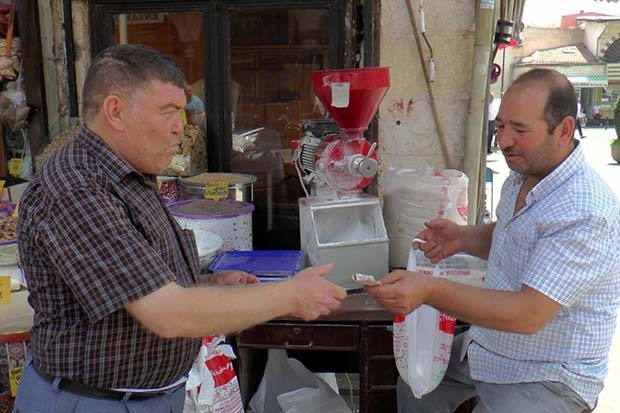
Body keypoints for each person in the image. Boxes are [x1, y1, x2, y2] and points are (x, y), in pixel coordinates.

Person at [14, 44, 346, 413]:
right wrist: (291, 296)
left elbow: (133, 285)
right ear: (116, 111)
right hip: (90, 402)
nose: (181, 127)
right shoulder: (77, 187)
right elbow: (167, 314)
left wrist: (206, 285)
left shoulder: (129, 174)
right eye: (168, 112)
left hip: (147, 397)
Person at [366, 68, 620, 413]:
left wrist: (429, 290)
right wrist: (463, 237)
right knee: (415, 384)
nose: (504, 141)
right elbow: (515, 234)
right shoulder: (524, 174)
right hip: (490, 348)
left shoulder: (585, 210)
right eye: (500, 126)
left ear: (564, 130)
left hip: (546, 376)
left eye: (520, 129)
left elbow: (527, 315)